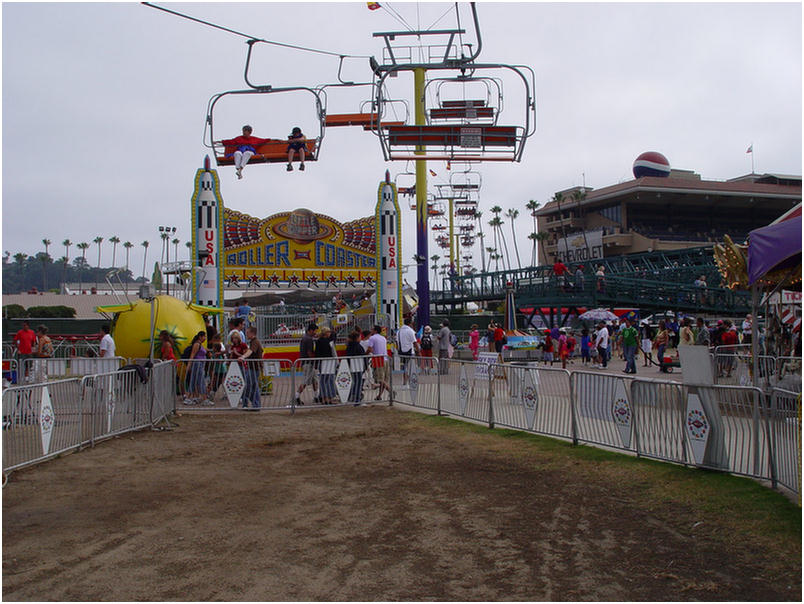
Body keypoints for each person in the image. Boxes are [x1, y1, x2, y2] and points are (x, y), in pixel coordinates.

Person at [239, 326, 263, 410]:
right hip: (253, 367)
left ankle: (255, 404)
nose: (246, 334)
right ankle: (255, 404)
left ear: (252, 333)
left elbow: (250, 351)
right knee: (252, 386)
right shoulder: (254, 341)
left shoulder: (255, 342)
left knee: (250, 386)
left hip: (254, 368)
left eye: (248, 333)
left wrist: (243, 356)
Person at [295, 322, 319, 405]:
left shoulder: (305, 338)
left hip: (306, 362)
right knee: (305, 381)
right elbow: (309, 352)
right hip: (308, 363)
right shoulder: (309, 339)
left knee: (315, 380)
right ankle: (296, 397)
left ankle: (316, 396)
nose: (316, 333)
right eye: (315, 331)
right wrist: (315, 360)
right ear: (311, 330)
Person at [185, 331, 211, 405]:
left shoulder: (200, 345)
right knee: (201, 381)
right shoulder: (197, 344)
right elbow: (192, 355)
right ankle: (204, 398)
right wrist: (189, 365)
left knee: (195, 381)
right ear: (200, 336)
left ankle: (189, 397)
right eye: (204, 336)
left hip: (200, 365)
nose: (205, 338)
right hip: (197, 364)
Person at [367, 325, 392, 400]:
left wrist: (366, 354)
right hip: (385, 358)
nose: (371, 330)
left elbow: (370, 348)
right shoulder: (383, 338)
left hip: (378, 359)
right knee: (384, 379)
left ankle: (391, 391)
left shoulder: (372, 338)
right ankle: (379, 395)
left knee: (380, 379)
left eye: (372, 329)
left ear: (375, 331)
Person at [315, 327, 337, 404]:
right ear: (326, 333)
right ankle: (330, 397)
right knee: (329, 380)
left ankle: (324, 398)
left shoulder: (318, 341)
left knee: (323, 381)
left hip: (322, 362)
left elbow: (317, 353)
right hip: (329, 362)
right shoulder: (329, 341)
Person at [396, 317, 419, 385]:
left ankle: (405, 382)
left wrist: (399, 350)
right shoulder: (410, 331)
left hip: (402, 352)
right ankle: (411, 382)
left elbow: (397, 343)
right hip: (410, 352)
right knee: (411, 368)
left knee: (405, 368)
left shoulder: (399, 331)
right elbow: (415, 342)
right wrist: (418, 351)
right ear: (410, 323)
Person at [345, 330, 366, 403]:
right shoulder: (358, 346)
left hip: (352, 367)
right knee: (358, 382)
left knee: (354, 381)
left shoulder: (349, 346)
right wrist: (365, 367)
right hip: (358, 366)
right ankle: (357, 398)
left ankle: (352, 396)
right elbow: (363, 357)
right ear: (357, 338)